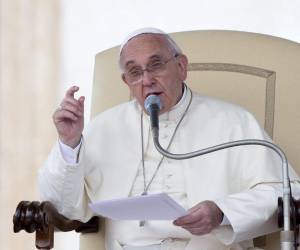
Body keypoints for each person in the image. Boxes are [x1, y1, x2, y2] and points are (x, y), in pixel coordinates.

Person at [39, 28, 300, 250]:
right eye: (135, 72)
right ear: (126, 81)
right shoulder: (105, 126)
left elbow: (288, 195)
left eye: (156, 65)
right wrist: (69, 143)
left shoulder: (234, 121)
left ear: (181, 67)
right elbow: (64, 207)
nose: (147, 80)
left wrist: (222, 212)